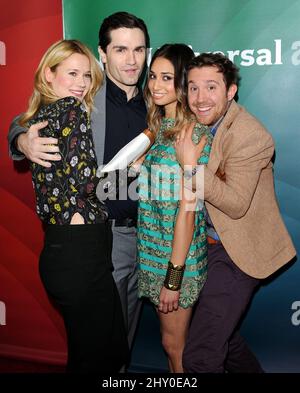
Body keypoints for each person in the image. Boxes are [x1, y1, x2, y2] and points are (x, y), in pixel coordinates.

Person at [7, 12, 150, 354]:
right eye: (120, 49)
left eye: (139, 49)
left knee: (120, 342)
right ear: (103, 53)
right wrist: (22, 139)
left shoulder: (155, 102)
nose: (131, 60)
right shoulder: (84, 96)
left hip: (146, 235)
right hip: (100, 237)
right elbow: (28, 116)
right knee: (98, 350)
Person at [174, 52, 296, 373]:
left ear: (230, 91)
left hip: (238, 252)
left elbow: (236, 203)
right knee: (223, 341)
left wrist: (189, 168)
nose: (201, 98)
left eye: (211, 88)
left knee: (199, 357)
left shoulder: (250, 135)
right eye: (194, 88)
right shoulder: (195, 124)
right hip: (207, 248)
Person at [137, 44, 212, 373]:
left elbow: (189, 209)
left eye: (167, 78)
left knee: (174, 347)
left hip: (175, 259)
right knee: (172, 347)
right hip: (154, 254)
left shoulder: (192, 134)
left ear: (183, 83)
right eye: (153, 76)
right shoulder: (161, 130)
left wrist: (173, 278)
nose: (155, 85)